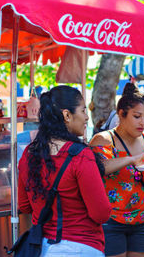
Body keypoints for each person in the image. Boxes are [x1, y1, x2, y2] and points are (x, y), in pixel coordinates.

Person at [18, 85, 112, 256]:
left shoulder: (28, 155)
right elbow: (101, 213)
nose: (86, 118)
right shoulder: (81, 156)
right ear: (67, 115)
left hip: (42, 248)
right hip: (81, 247)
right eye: (83, 111)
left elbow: (24, 205)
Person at [90, 83, 144, 257]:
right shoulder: (104, 140)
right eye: (137, 116)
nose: (142, 122)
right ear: (121, 114)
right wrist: (132, 159)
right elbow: (98, 168)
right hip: (111, 220)